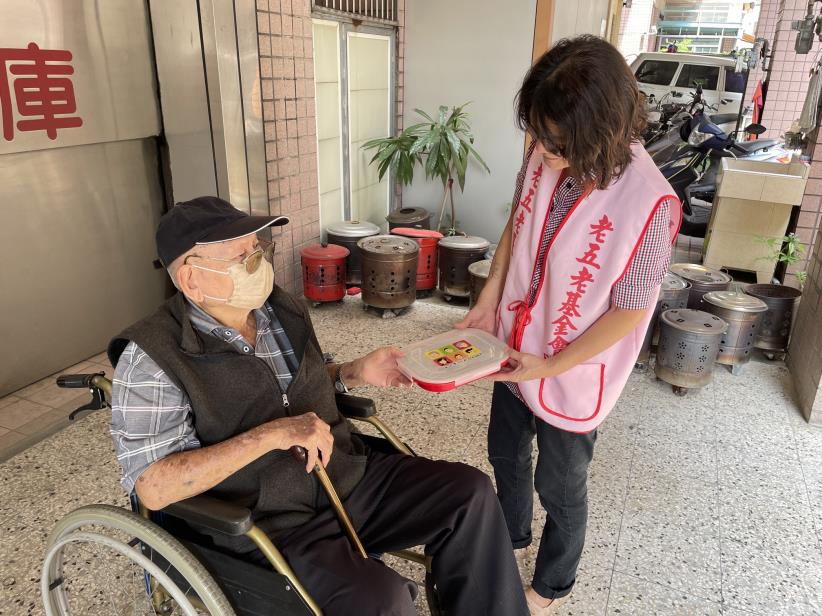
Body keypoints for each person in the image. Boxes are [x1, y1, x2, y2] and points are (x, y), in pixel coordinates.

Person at [109, 196, 528, 616]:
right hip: (271, 520)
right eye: (241, 258)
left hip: (344, 476)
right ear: (191, 278)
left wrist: (357, 371)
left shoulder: (279, 309)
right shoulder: (152, 357)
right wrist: (275, 433)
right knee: (382, 600)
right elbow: (154, 484)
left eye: (259, 249)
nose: (259, 264)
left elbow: (302, 383)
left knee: (468, 494)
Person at [457, 36, 681, 615]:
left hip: (572, 366)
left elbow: (631, 309)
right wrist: (489, 295)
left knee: (560, 486)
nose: (541, 150)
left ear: (600, 133)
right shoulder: (542, 153)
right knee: (505, 453)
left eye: (557, 143)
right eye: (535, 133)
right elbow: (519, 221)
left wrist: (552, 364)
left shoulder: (650, 203)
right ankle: (508, 540)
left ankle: (553, 585)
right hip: (514, 343)